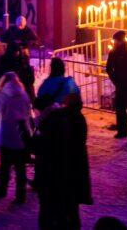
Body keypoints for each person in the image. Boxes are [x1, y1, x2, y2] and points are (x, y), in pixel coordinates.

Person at [33, 93, 92, 230]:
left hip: (59, 173)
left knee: (54, 210)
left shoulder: (58, 120)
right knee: (70, 209)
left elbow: (42, 148)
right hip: (73, 170)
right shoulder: (76, 118)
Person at [0, 72, 32, 202]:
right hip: (22, 134)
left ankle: (2, 189)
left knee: (5, 165)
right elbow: (28, 113)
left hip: (6, 134)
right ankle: (21, 193)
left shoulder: (1, 96)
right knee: (20, 166)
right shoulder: (24, 95)